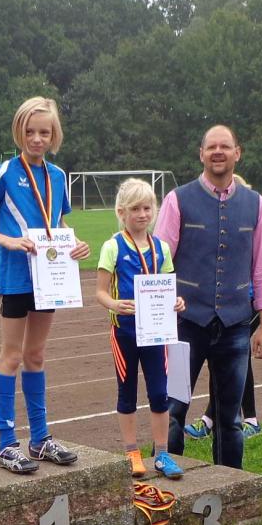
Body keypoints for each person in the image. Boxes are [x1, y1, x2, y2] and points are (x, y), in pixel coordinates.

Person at [0, 97, 90, 474]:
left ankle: (39, 439)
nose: (37, 139)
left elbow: (58, 224)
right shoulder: (5, 172)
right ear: (19, 131)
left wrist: (75, 242)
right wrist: (6, 240)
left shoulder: (58, 176)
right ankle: (6, 444)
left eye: (44, 133)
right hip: (15, 276)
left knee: (36, 355)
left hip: (49, 278)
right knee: (12, 356)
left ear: (54, 136)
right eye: (30, 131)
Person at [154, 125, 262, 470]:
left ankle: (229, 486)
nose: (218, 152)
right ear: (201, 154)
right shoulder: (177, 199)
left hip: (235, 325)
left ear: (238, 152)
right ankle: (166, 483)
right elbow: (158, 262)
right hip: (185, 324)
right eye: (211, 147)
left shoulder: (255, 204)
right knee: (172, 410)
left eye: (225, 146)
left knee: (230, 419)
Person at [95, 178, 186, 479]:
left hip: (156, 333)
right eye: (135, 209)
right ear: (122, 212)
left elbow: (169, 288)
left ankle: (162, 454)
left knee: (160, 394)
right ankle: (132, 452)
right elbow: (100, 292)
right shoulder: (113, 246)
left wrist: (177, 302)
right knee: (127, 393)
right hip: (125, 332)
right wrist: (114, 304)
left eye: (147, 208)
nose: (142, 214)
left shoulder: (161, 248)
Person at [184, 174, 262, 441]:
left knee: (232, 357)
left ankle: (244, 418)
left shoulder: (256, 220)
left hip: (247, 300)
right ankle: (217, 417)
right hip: (228, 299)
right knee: (227, 358)